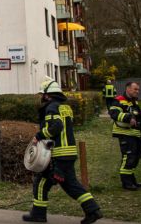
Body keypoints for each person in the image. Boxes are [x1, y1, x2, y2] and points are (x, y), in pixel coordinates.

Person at [24, 78, 103, 223]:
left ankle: (38, 215)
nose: (42, 97)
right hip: (69, 153)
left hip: (58, 153)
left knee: (41, 183)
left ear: (48, 95)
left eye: (43, 94)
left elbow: (56, 127)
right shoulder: (65, 107)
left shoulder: (51, 107)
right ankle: (93, 210)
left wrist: (39, 136)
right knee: (71, 185)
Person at [108, 82, 141, 190]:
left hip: (135, 134)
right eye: (135, 89)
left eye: (138, 89)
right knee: (129, 158)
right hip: (125, 134)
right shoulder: (119, 100)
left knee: (135, 158)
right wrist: (127, 118)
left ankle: (132, 181)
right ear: (128, 89)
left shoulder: (134, 102)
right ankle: (126, 183)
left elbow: (137, 115)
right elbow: (114, 113)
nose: (137, 91)